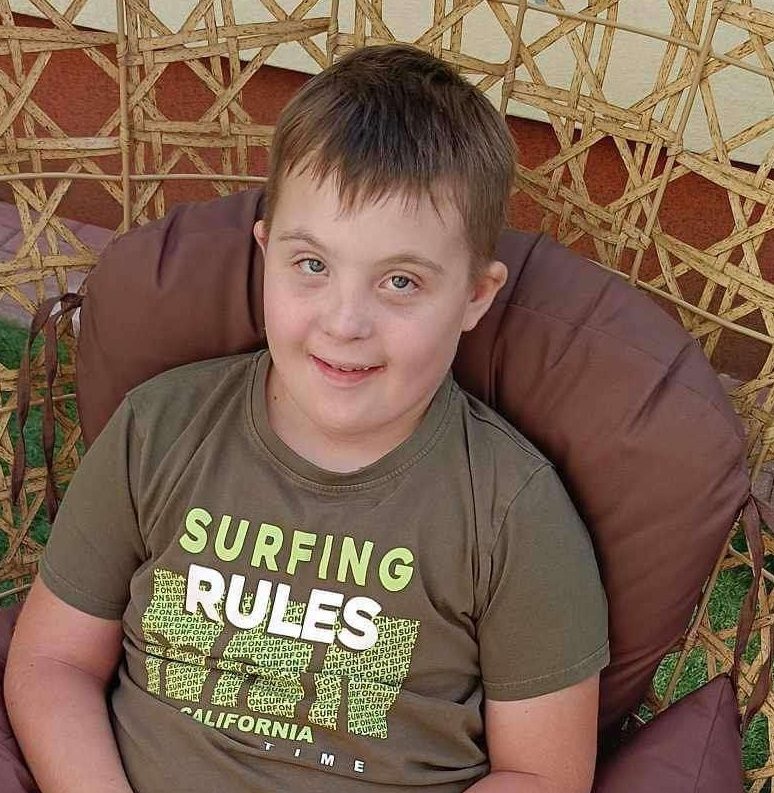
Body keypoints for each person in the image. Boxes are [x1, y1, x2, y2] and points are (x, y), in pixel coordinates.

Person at [5, 44, 609, 793]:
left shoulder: (511, 510)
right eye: (312, 265)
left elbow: (542, 773)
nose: (345, 322)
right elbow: (52, 659)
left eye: (400, 281)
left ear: (475, 297)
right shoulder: (159, 430)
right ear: (266, 253)